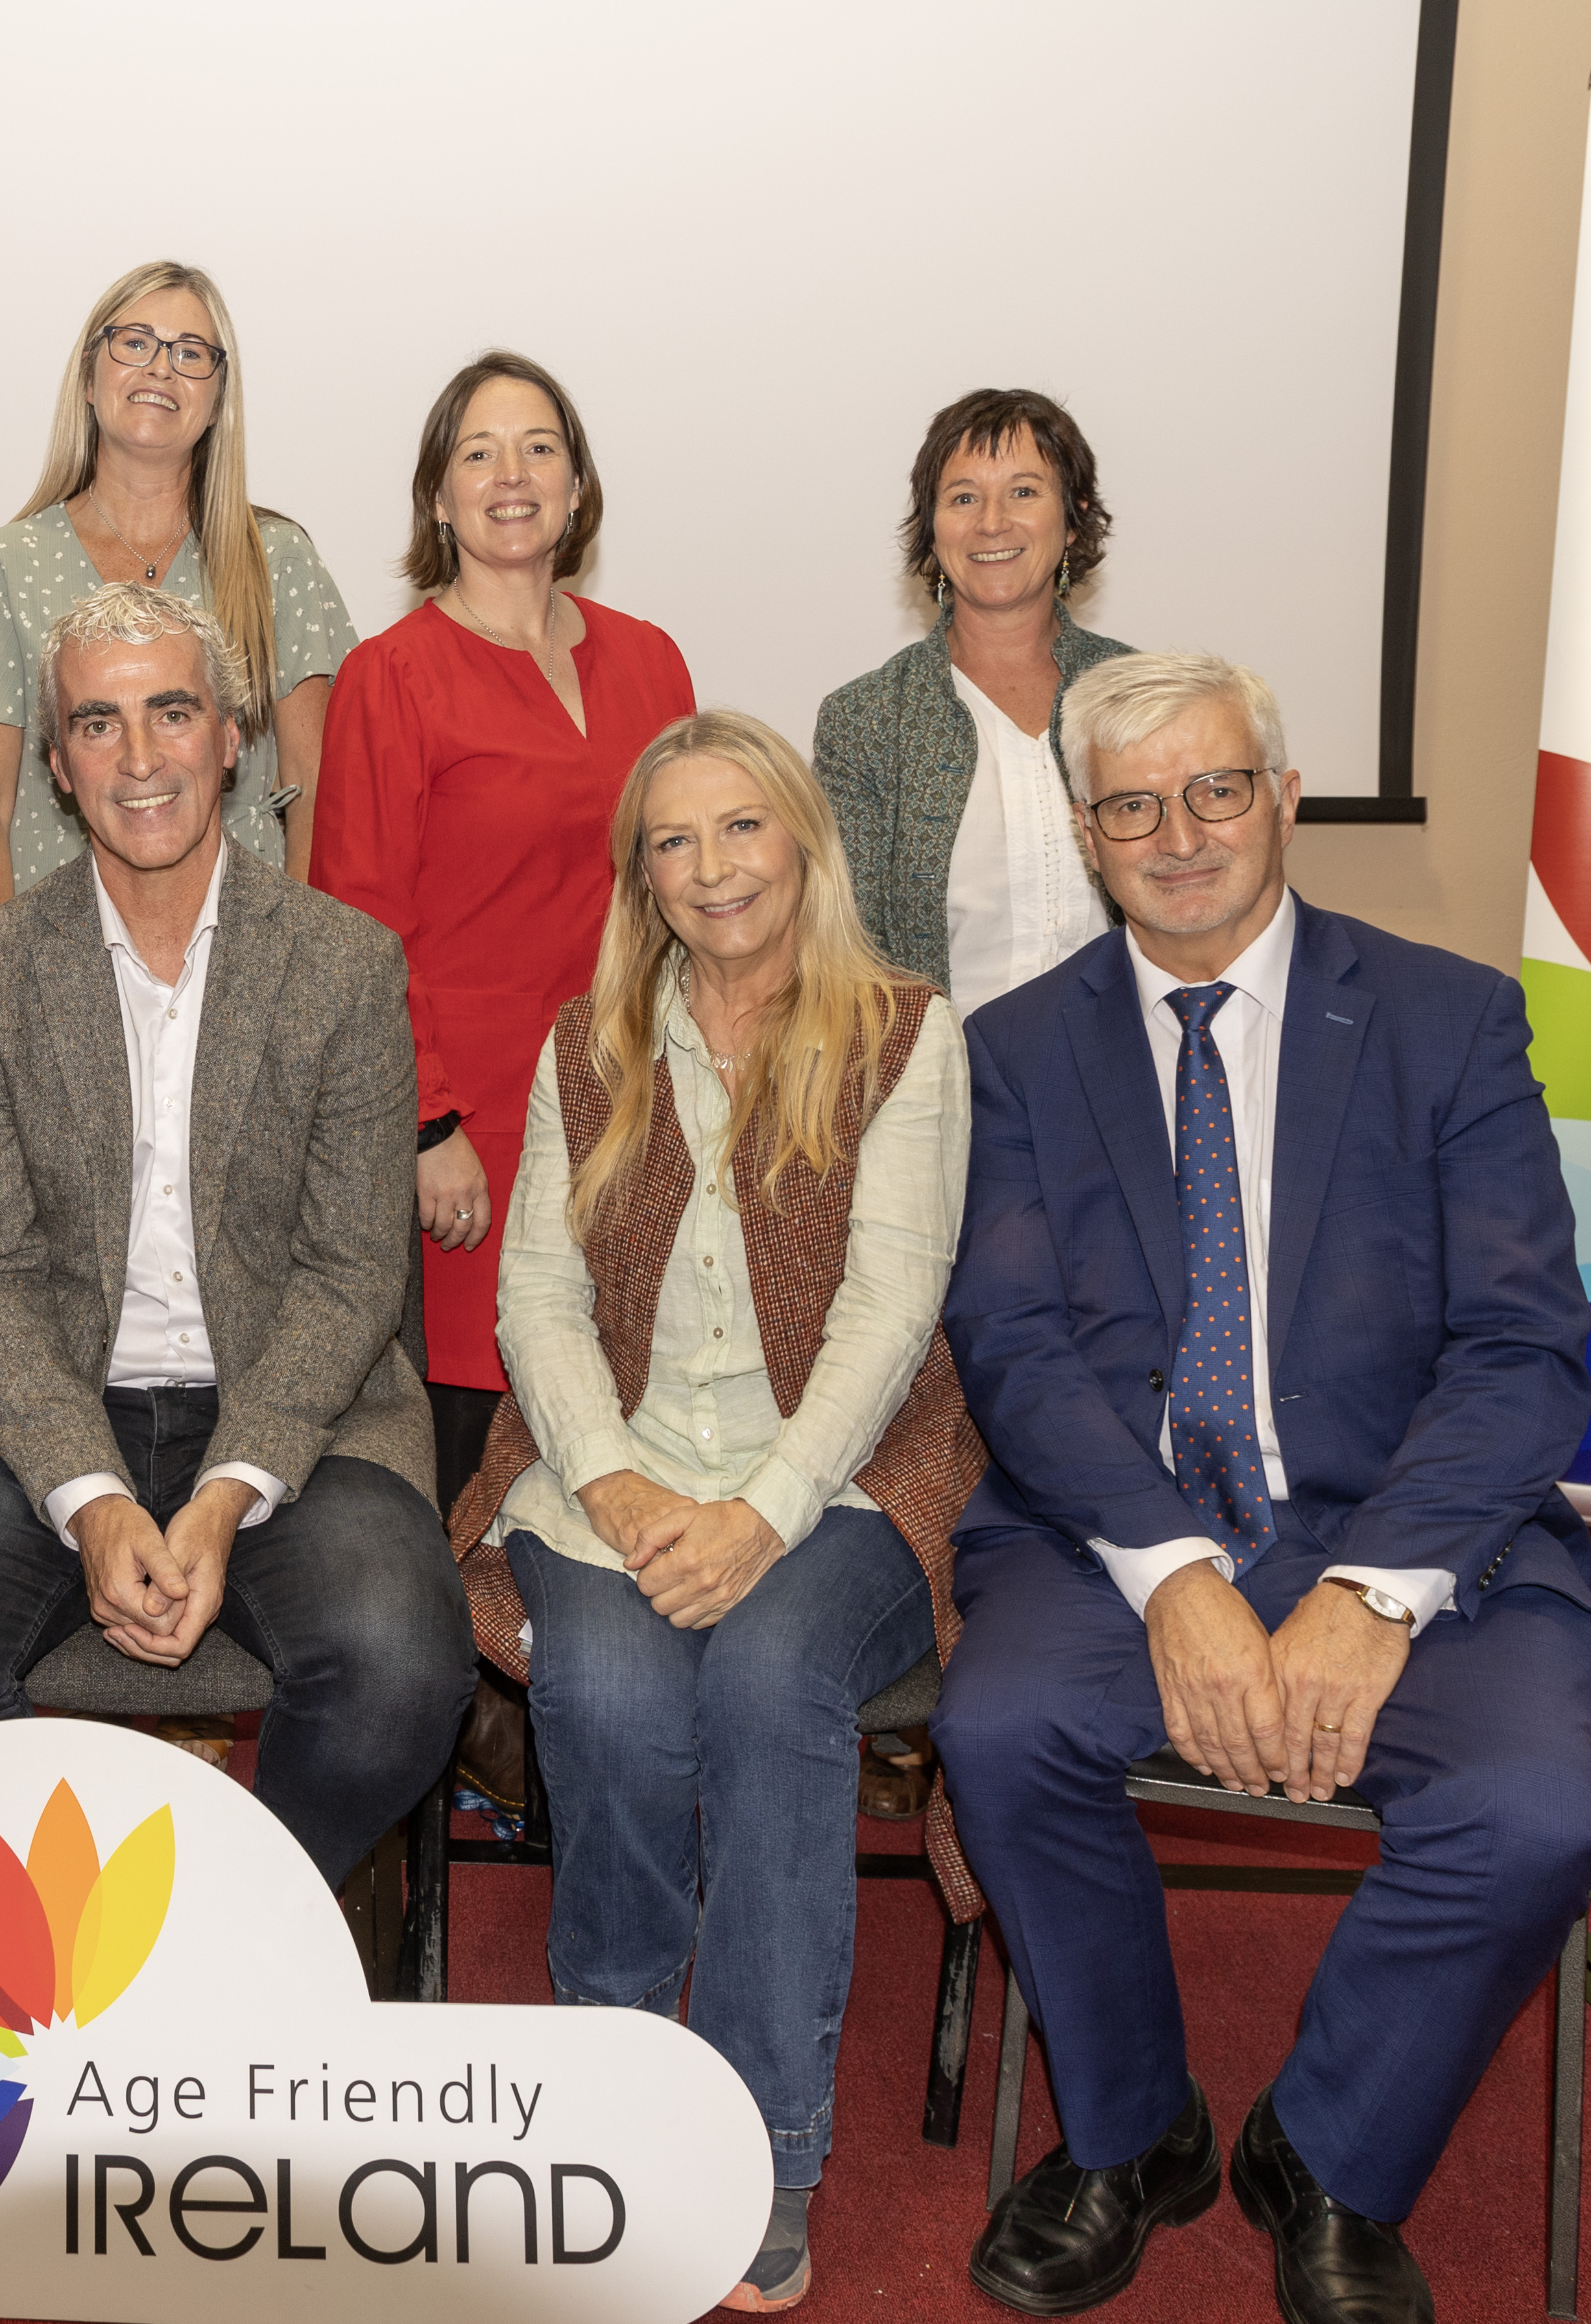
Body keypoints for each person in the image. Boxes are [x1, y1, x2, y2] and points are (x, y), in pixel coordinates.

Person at [931, 652, 1591, 2324]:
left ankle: (1331, 2155)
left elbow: (1525, 1348)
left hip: (1417, 1535)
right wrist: (1180, 1577)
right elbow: (1012, 1348)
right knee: (1003, 1733)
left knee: (1542, 1808)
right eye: (1135, 804)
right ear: (1089, 836)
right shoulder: (1010, 1049)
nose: (1182, 833)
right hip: (1120, 1543)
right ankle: (1135, 2129)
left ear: (1283, 796)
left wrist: (1372, 1597)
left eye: (1217, 788)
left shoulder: (1447, 1018)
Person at [445, 709, 981, 2314]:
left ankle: (765, 2139)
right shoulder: (581, 1045)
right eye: (672, 842)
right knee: (606, 1684)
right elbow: (535, 1291)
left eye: (739, 828)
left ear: (802, 842)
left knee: (765, 1683)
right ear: (642, 879)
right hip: (610, 1462)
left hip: (847, 1476)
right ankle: (614, 2077)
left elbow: (892, 1317)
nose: (710, 867)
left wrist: (761, 1513)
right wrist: (607, 1479)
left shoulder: (905, 1031)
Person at [0, 582, 473, 1887]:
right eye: (98, 725)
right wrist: (96, 1495)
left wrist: (230, 1490)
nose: (139, 759)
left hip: (300, 1407)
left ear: (231, 736)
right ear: (57, 767)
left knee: (407, 1666)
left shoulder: (344, 965)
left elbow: (352, 1275)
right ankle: (43, 1953)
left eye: (170, 713)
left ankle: (229, 1934)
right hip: (31, 1406)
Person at [311, 350, 695, 1510]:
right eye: (475, 453)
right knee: (467, 1449)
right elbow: (356, 924)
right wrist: (423, 1124)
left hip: (633, 1101)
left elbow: (699, 884)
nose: (509, 475)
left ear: (576, 488)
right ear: (436, 496)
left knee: (618, 1428)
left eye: (537, 449)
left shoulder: (651, 658)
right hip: (466, 1128)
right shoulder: (391, 676)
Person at [0, 259, 357, 914]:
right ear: (90, 379)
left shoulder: (277, 561)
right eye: (135, 343)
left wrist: (291, 973)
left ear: (217, 400)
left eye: (190, 354)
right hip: (50, 968)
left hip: (246, 964)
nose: (160, 368)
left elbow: (315, 791)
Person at [813, 386, 1134, 1014]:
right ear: (931, 531)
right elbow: (851, 958)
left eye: (1024, 491)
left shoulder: (1139, 693)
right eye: (963, 497)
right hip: (951, 1094)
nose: (992, 522)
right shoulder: (867, 721)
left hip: (1129, 1080)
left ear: (1073, 518)